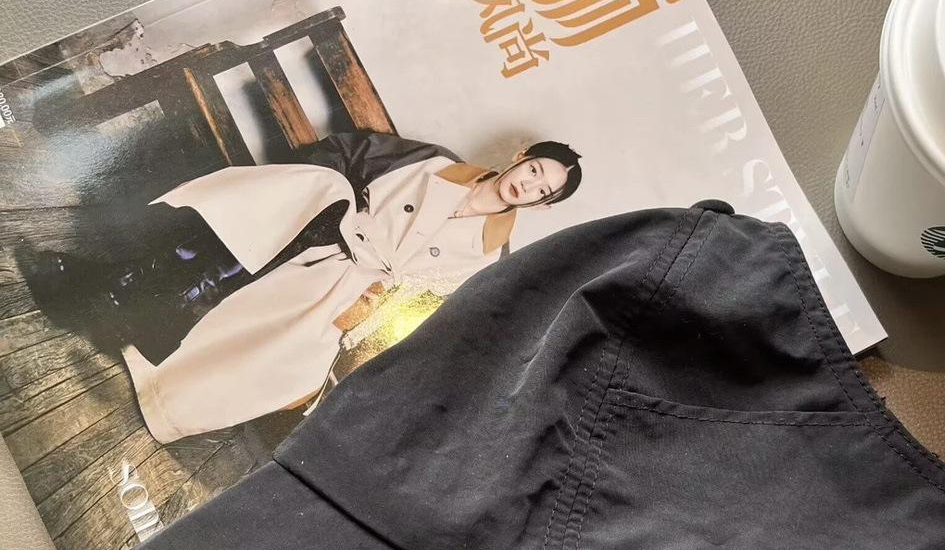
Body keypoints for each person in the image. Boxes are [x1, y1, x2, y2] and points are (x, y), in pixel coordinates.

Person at [23, 132, 582, 443]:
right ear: (521, 157)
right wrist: (337, 196)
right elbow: (347, 152)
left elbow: (424, 307)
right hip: (329, 223)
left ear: (543, 206)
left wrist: (361, 316)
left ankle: (135, 318)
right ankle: (115, 288)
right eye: (535, 171)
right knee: (304, 196)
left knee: (301, 352)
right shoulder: (433, 162)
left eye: (543, 193)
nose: (529, 187)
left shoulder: (489, 256)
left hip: (356, 285)